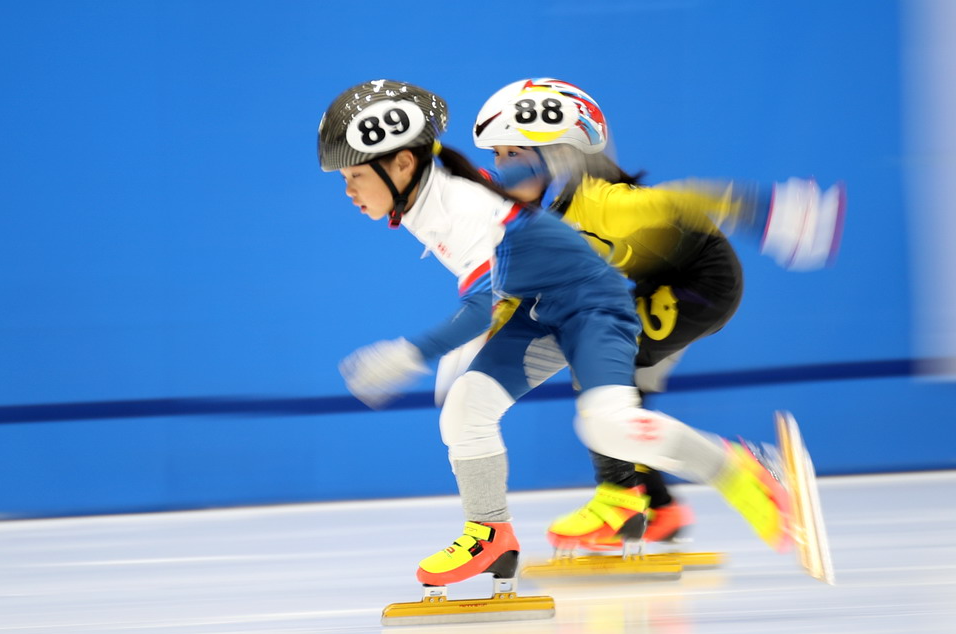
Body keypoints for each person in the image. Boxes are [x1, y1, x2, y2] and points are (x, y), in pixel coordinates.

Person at [318, 79, 794, 588]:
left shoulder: (462, 204)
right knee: (465, 409)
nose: (347, 191)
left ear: (402, 164)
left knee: (609, 425)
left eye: (355, 175)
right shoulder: (423, 199)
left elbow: (482, 305)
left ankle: (740, 469)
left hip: (594, 306)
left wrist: (413, 352)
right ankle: (490, 534)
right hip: (539, 310)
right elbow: (494, 289)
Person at [469, 77, 846, 552]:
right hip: (658, 284)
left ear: (560, 156)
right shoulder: (543, 217)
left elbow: (682, 199)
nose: (500, 167)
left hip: (701, 282)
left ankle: (639, 496)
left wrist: (771, 213)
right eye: (497, 154)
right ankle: (657, 508)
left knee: (596, 366)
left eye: (512, 153)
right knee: (621, 397)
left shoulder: (602, 204)